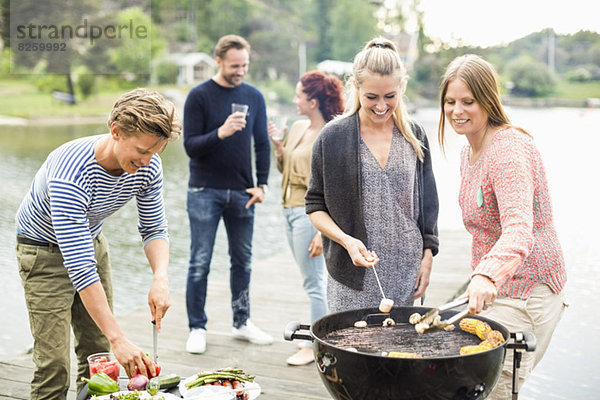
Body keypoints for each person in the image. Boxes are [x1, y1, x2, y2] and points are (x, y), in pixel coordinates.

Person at [15, 88, 181, 399]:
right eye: (142, 151)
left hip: (90, 240)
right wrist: (120, 339)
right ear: (116, 131)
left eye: (155, 153)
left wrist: (160, 277)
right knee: (53, 364)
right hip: (42, 252)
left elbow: (154, 226)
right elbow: (78, 266)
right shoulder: (71, 171)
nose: (148, 162)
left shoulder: (148, 167)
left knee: (98, 355)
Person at [438, 54, 567, 398]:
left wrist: (486, 275)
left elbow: (518, 228)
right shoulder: (469, 152)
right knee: (460, 381)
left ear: (488, 100)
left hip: (529, 292)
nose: (457, 111)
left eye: (468, 101)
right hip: (496, 291)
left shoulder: (508, 149)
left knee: (491, 389)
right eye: (450, 102)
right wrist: (482, 278)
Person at [305, 37, 439, 314]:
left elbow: (428, 207)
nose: (381, 106)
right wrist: (346, 241)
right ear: (356, 88)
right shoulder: (332, 137)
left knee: (397, 353)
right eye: (371, 97)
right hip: (350, 273)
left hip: (406, 270)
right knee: (351, 351)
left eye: (390, 96)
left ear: (402, 88)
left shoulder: (415, 136)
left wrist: (427, 257)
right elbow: (315, 206)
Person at [183, 34, 272, 354]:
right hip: (204, 190)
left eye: (245, 65)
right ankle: (196, 326)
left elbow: (262, 144)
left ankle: (242, 321)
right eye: (235, 65)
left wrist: (262, 185)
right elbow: (190, 146)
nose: (240, 71)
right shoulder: (199, 96)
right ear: (218, 61)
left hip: (242, 192)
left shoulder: (254, 96)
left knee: (242, 261)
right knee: (200, 262)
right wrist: (221, 132)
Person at [269, 71, 344, 365]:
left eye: (299, 95)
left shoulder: (332, 133)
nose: (294, 99)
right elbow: (285, 169)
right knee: (309, 279)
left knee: (314, 282)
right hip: (288, 211)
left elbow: (335, 187)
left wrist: (322, 232)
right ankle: (320, 339)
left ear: (312, 101)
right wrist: (279, 146)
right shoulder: (299, 127)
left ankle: (315, 345)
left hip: (308, 216)